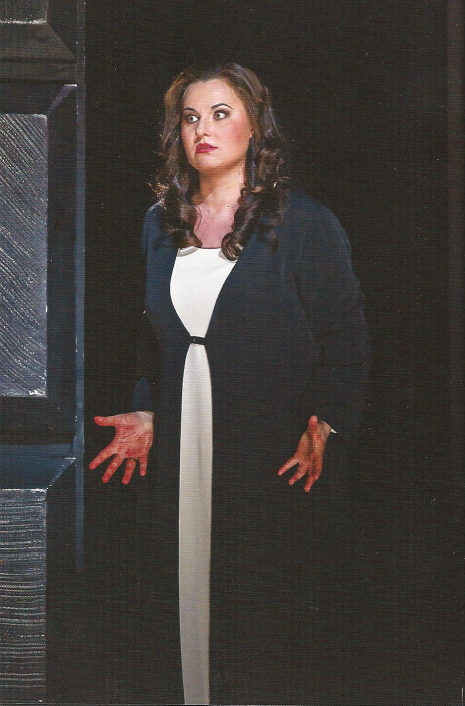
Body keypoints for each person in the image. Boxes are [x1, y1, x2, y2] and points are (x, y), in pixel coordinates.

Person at [89, 62, 370, 705]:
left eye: (220, 114)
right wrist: (148, 411)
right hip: (182, 438)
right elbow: (150, 337)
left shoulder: (303, 223)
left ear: (255, 127)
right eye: (190, 118)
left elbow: (346, 336)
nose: (203, 130)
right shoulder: (159, 222)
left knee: (258, 602)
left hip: (267, 442)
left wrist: (326, 421)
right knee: (182, 590)